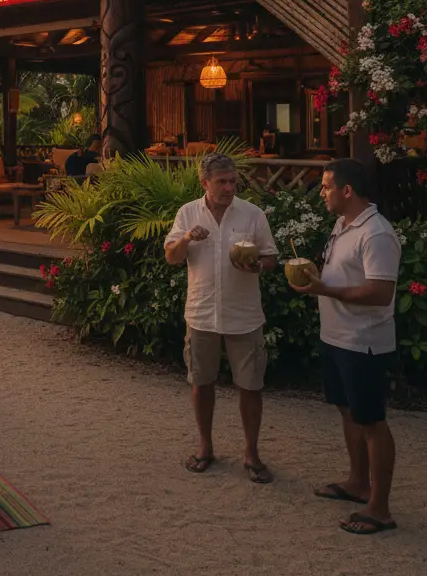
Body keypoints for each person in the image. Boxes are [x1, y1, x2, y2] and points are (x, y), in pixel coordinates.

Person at [290, 158, 401, 535]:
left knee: (371, 421)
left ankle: (380, 509)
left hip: (363, 341)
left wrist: (326, 289)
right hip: (335, 336)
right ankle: (357, 483)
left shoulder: (377, 233)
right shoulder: (342, 225)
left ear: (347, 190)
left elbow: (380, 292)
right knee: (348, 411)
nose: (321, 192)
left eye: (325, 186)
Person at [164, 151, 278, 483]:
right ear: (205, 183)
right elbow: (171, 257)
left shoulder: (252, 214)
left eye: (232, 181)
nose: (229, 188)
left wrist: (259, 265)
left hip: (244, 314)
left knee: (251, 385)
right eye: (221, 182)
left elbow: (270, 257)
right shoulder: (187, 214)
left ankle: (252, 453)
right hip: (201, 313)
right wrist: (186, 238)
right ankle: (205, 446)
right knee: (201, 382)